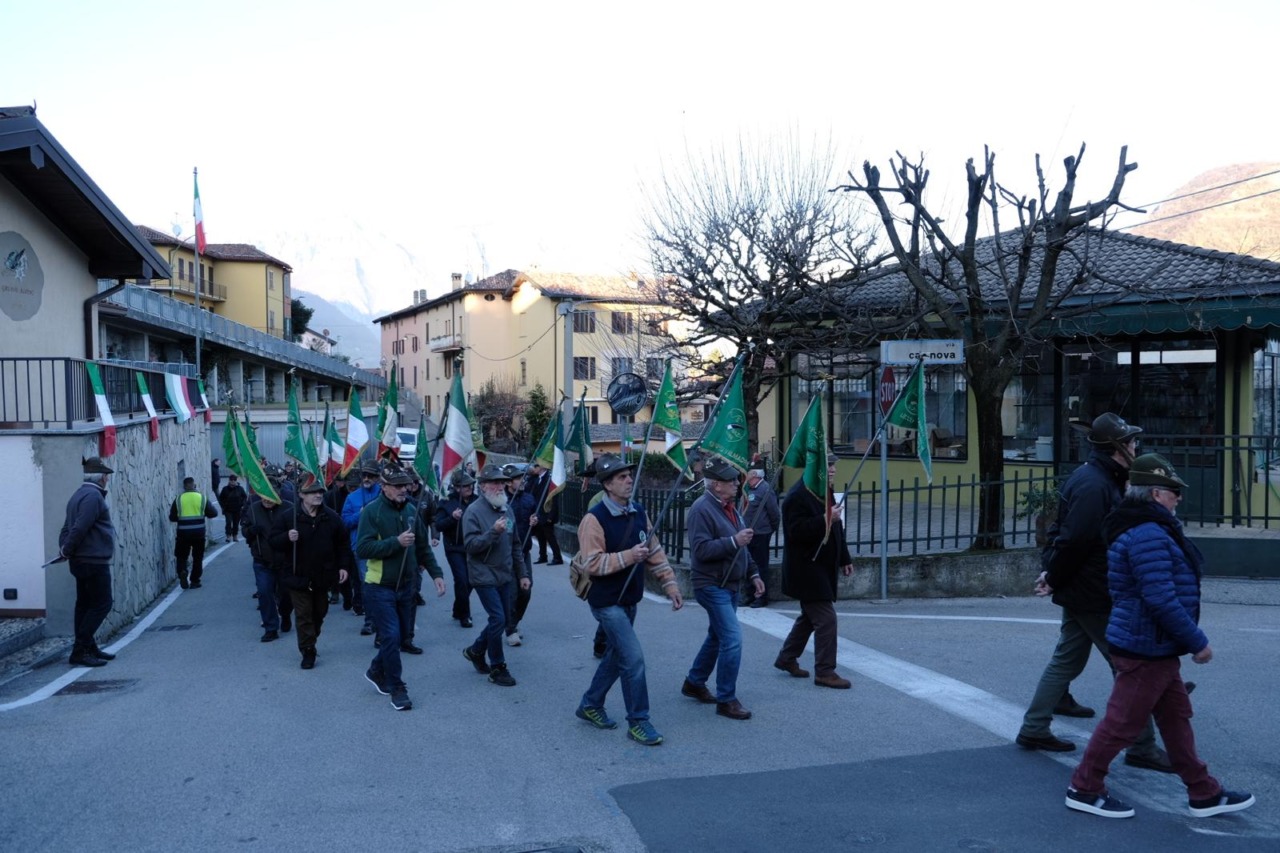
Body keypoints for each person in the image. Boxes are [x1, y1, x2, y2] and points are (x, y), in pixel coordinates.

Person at [1065, 454, 1255, 820]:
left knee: (1175, 718)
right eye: (1173, 491)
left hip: (1154, 645)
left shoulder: (1149, 528)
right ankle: (1084, 788)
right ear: (1154, 494)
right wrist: (1197, 642)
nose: (1178, 498)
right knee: (1122, 724)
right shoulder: (1148, 534)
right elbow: (1160, 598)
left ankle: (1203, 792)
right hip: (1144, 647)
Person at [1015, 413, 1173, 773]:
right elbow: (1075, 541)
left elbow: (1072, 537)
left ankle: (1035, 726)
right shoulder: (1094, 485)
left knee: (1068, 659)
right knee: (1128, 665)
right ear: (1116, 448)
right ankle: (1142, 746)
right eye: (1131, 442)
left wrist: (1055, 575)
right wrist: (1054, 576)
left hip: (1085, 586)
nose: (1136, 447)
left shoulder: (1102, 478)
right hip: (1093, 590)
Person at [573, 454, 683, 746]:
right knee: (633, 659)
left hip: (629, 599)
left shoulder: (639, 512)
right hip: (606, 602)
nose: (629, 480)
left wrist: (670, 584)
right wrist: (630, 556)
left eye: (629, 475)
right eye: (621, 477)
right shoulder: (593, 519)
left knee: (616, 656)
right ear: (607, 485)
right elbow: (591, 563)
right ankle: (638, 721)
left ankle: (590, 704)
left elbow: (654, 550)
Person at [355, 465, 446, 711]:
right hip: (379, 586)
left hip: (407, 585)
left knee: (402, 636)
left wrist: (436, 574)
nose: (403, 489)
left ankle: (376, 669)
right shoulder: (371, 512)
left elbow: (423, 547)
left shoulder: (411, 511)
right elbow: (362, 549)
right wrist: (395, 542)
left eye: (404, 485)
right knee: (391, 636)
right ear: (384, 487)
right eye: (396, 485)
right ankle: (397, 687)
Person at [681, 456, 764, 721]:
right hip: (711, 584)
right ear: (716, 484)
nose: (737, 484)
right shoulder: (701, 509)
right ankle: (726, 699)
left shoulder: (730, 507)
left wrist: (753, 573)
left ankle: (694, 682)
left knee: (717, 636)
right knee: (732, 638)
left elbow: (742, 544)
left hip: (730, 584)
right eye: (731, 480)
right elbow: (701, 550)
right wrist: (733, 541)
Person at [776, 456, 855, 688]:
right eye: (828, 465)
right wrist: (825, 518)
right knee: (826, 619)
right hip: (806, 568)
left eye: (833, 465)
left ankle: (787, 657)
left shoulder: (824, 491)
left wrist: (844, 557)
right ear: (815, 468)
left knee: (810, 618)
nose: (833, 470)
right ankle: (825, 671)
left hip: (821, 566)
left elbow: (837, 525)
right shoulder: (796, 496)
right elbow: (795, 531)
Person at [269, 479, 354, 669]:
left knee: (319, 612)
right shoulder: (288, 517)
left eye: (320, 492)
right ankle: (308, 650)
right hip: (297, 575)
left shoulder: (331, 517)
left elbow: (343, 543)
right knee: (304, 614)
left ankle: (311, 637)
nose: (318, 495)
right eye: (312, 492)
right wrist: (286, 537)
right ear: (301, 495)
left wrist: (343, 566)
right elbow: (273, 541)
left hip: (323, 576)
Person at [461, 464, 528, 686]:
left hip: (504, 574)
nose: (500, 486)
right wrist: (492, 532)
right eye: (494, 483)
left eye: (501, 482)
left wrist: (523, 574)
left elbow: (515, 544)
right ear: (483, 486)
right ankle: (498, 667)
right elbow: (470, 546)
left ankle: (476, 650)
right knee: (498, 618)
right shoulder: (473, 511)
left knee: (504, 619)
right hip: (483, 574)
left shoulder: (506, 509)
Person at [58, 457, 117, 667]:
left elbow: (67, 527)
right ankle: (80, 649)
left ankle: (89, 647)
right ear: (101, 478)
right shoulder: (93, 497)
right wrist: (67, 549)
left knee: (84, 604)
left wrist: (64, 548)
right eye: (106, 476)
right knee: (102, 603)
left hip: (80, 559)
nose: (107, 479)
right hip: (93, 559)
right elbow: (80, 527)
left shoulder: (78, 494)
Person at [242, 484, 293, 642]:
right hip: (262, 560)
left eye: (270, 496)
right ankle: (271, 628)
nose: (267, 500)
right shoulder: (254, 509)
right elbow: (245, 529)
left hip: (285, 560)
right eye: (264, 496)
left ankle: (285, 614)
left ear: (277, 495)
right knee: (264, 592)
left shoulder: (289, 508)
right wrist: (251, 531)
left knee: (286, 594)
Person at [435, 468, 480, 628]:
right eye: (465, 485)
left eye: (470, 484)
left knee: (471, 581)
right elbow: (438, 525)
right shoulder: (446, 502)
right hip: (454, 547)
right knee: (461, 579)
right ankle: (465, 615)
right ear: (456, 487)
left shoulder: (477, 501)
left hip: (472, 546)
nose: (469, 488)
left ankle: (458, 607)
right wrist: (452, 518)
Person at [342, 462, 383, 628]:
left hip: (383, 545)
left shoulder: (384, 494)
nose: (367, 478)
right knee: (367, 584)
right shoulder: (352, 497)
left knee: (384, 583)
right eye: (364, 475)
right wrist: (360, 515)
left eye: (371, 475)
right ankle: (370, 620)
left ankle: (384, 617)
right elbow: (345, 522)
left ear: (377, 477)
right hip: (361, 547)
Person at [506, 465, 537, 646]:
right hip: (506, 555)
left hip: (524, 552)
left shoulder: (529, 498)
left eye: (523, 478)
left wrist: (535, 521)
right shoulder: (502, 502)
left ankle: (514, 622)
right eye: (518, 479)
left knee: (526, 591)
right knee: (512, 593)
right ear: (509, 483)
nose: (522, 481)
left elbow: (536, 522)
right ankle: (510, 630)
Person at [741, 467, 780, 607]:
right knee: (748, 565)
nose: (746, 477)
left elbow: (774, 512)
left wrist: (771, 528)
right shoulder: (748, 489)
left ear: (755, 476)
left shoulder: (765, 489)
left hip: (760, 534)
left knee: (760, 566)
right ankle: (750, 594)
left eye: (749, 474)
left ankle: (762, 597)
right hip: (748, 533)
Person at [169, 476, 218, 589]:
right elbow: (214, 513)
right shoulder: (202, 498)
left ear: (184, 487)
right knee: (197, 558)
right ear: (194, 485)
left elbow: (172, 517)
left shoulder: (178, 499)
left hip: (183, 534)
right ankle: (195, 581)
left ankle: (182, 571)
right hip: (199, 533)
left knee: (181, 556)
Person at [530, 461, 564, 565]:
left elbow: (554, 499)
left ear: (542, 467)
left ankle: (557, 557)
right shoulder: (537, 479)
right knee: (540, 536)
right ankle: (543, 556)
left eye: (536, 466)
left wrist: (551, 516)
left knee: (550, 537)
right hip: (538, 513)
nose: (534, 468)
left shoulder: (549, 480)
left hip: (547, 513)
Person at [218, 474, 248, 543]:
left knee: (236, 523)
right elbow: (221, 498)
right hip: (228, 509)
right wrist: (223, 506)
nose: (233, 481)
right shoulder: (225, 489)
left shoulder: (240, 488)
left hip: (237, 509)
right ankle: (228, 536)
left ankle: (235, 536)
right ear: (229, 480)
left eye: (234, 480)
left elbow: (244, 497)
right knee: (228, 522)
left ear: (236, 481)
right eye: (231, 480)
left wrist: (243, 504)